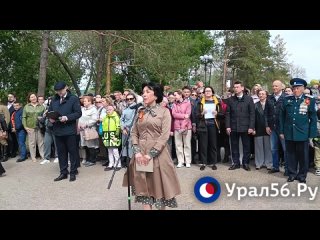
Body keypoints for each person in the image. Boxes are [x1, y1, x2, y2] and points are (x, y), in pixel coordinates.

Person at [123, 82, 181, 210]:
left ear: (156, 96)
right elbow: (134, 132)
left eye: (148, 92)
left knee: (159, 188)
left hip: (158, 155)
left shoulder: (165, 112)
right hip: (140, 154)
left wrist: (151, 154)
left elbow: (165, 136)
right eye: (143, 92)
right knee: (144, 189)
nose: (144, 94)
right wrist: (137, 151)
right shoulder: (140, 111)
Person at [280, 78, 317, 183]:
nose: (295, 90)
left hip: (303, 133)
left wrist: (311, 134)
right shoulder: (287, 99)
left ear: (303, 88)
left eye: (298, 88)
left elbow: (313, 118)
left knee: (303, 156)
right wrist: (282, 131)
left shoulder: (308, 100)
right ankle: (292, 174)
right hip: (289, 132)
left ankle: (302, 175)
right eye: (294, 88)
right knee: (290, 155)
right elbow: (281, 117)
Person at [48, 81, 82, 182]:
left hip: (69, 130)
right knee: (61, 153)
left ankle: (73, 171)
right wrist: (50, 118)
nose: (60, 93)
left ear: (66, 87)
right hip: (57, 130)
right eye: (58, 91)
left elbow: (78, 113)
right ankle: (63, 172)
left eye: (61, 90)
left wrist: (67, 117)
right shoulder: (54, 99)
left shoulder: (73, 98)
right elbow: (50, 111)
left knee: (72, 152)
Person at [226, 81, 255, 171]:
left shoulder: (249, 99)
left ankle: (245, 163)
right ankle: (236, 163)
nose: (236, 89)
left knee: (246, 146)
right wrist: (228, 126)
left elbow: (252, 114)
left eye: (237, 87)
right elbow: (228, 114)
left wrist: (251, 127)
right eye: (234, 87)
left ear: (242, 88)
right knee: (234, 146)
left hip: (245, 127)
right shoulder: (231, 99)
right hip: (233, 126)